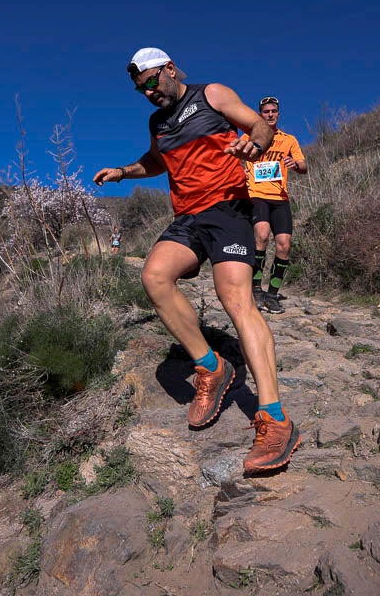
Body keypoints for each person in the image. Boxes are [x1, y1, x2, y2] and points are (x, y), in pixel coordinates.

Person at [93, 47, 302, 476]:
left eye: (152, 81)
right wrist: (122, 171)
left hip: (228, 209)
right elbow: (156, 161)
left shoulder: (211, 94)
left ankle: (275, 418)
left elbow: (258, 125)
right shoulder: (158, 123)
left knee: (235, 299)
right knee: (154, 276)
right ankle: (212, 366)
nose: (148, 92)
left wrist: (255, 143)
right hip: (188, 217)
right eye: (140, 88)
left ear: (169, 69)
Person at [244, 96, 307, 314]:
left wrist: (295, 164)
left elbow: (303, 165)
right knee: (261, 235)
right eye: (266, 111)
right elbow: (232, 158)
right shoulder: (249, 136)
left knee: (284, 244)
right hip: (256, 194)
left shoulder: (288, 139)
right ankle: (255, 289)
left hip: (280, 198)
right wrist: (239, 172)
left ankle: (272, 294)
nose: (270, 114)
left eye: (273, 111)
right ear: (260, 114)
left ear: (278, 114)